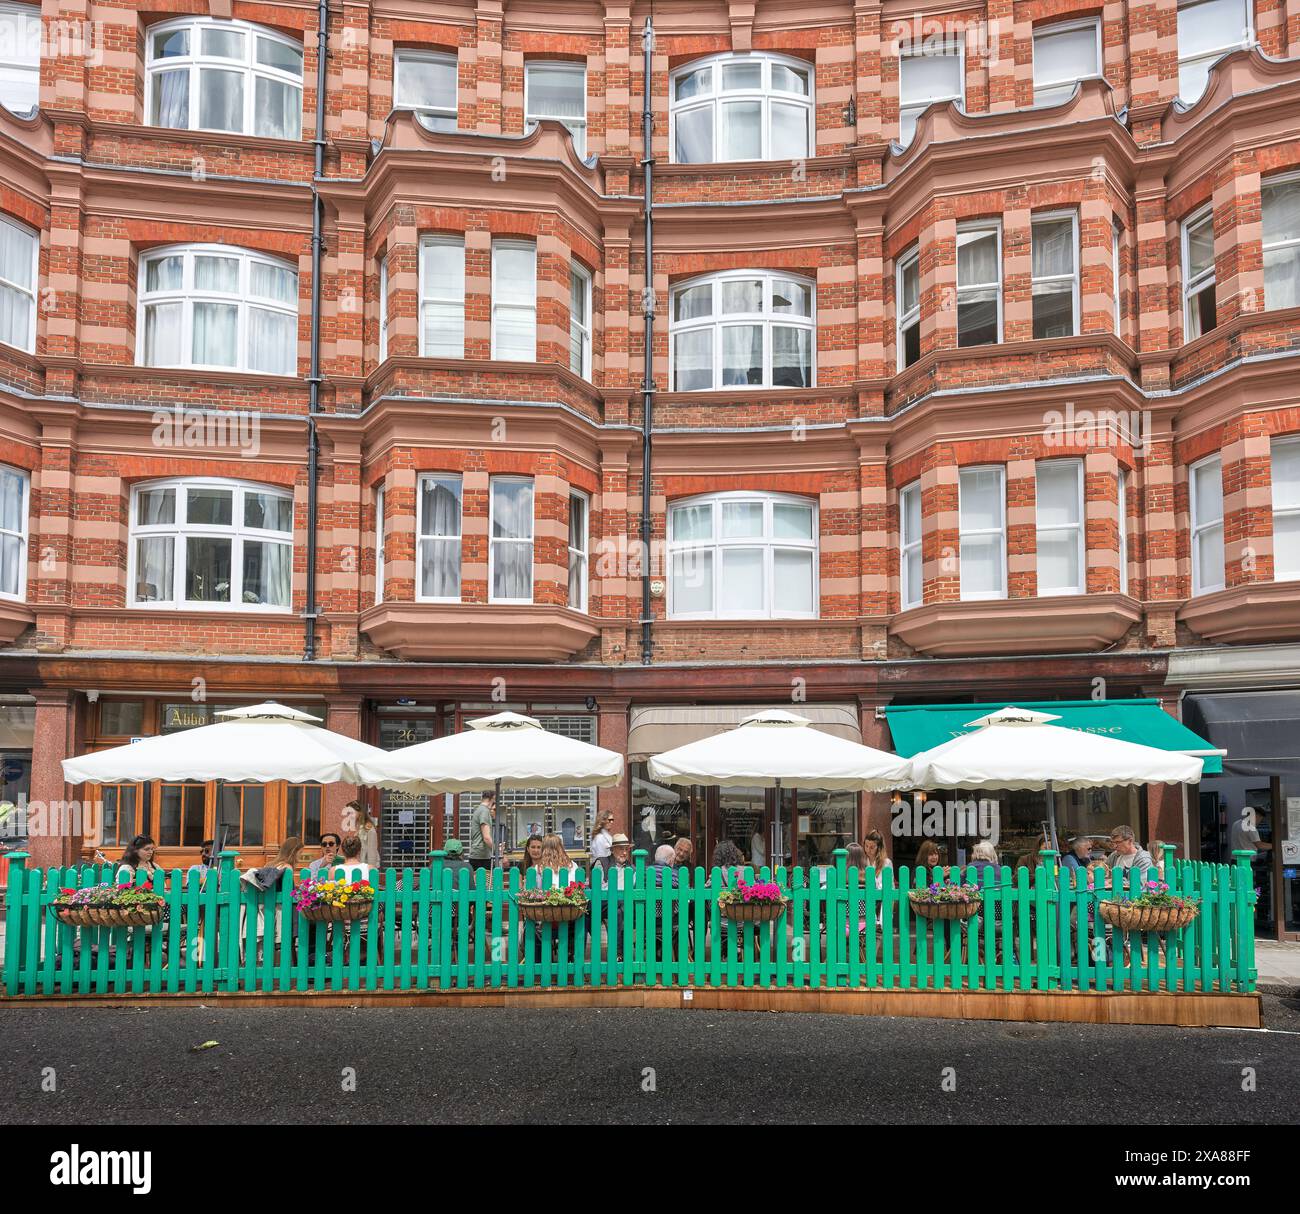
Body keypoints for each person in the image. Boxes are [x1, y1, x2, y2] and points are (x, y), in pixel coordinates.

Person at [468, 790, 497, 872]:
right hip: (482, 856)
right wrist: (497, 850)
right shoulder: (484, 811)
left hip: (477, 855)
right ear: (492, 798)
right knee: (488, 883)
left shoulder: (478, 810)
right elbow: (486, 838)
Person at [346, 801, 381, 868]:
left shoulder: (369, 829)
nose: (349, 815)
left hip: (365, 866)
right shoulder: (355, 827)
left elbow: (372, 852)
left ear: (360, 812)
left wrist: (371, 869)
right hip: (356, 866)